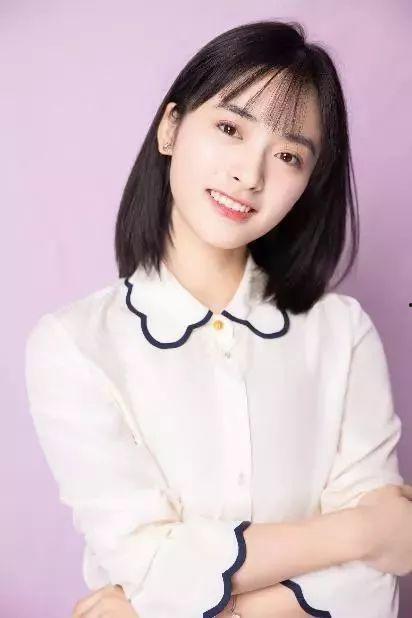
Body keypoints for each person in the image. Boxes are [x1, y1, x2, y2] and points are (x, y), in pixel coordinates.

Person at [24, 19, 412, 618]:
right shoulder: (74, 344)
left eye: (288, 156)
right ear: (171, 128)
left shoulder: (342, 332)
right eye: (231, 129)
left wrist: (168, 607)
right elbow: (144, 559)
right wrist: (362, 531)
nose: (250, 176)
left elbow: (374, 589)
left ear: (308, 183)